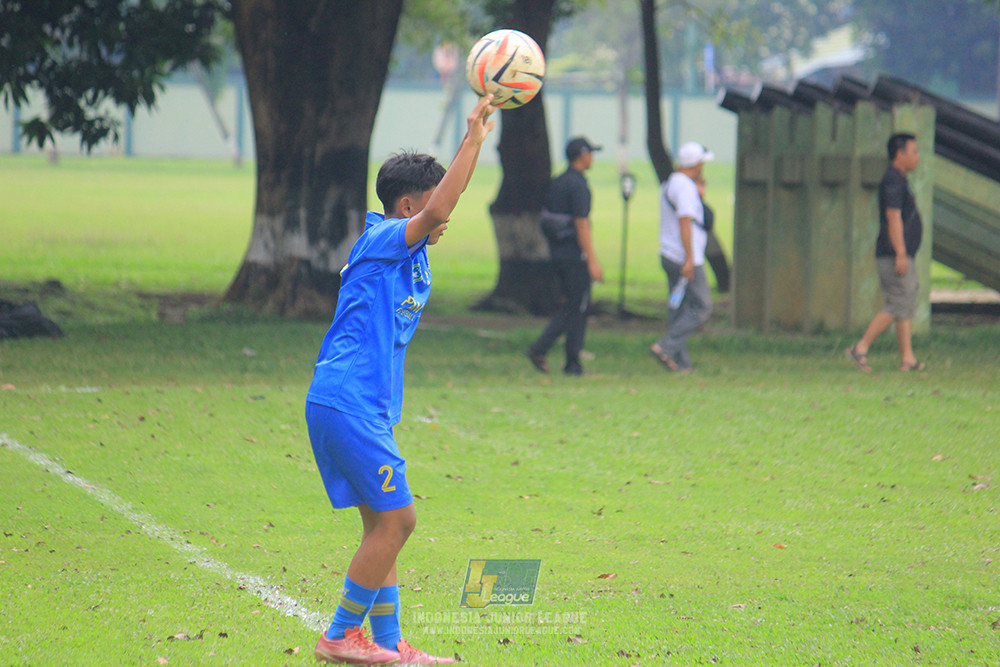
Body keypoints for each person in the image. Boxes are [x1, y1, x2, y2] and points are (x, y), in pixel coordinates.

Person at [305, 95, 496, 665]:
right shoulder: (384, 239)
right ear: (408, 203)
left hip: (363, 406)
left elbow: (434, 217)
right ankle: (340, 636)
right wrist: (473, 141)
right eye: (436, 202)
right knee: (400, 520)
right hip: (348, 401)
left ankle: (389, 645)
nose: (446, 215)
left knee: (380, 527)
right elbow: (436, 214)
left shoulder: (412, 257)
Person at [848, 132, 926, 373]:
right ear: (900, 154)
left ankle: (908, 358)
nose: (917, 157)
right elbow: (894, 217)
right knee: (897, 303)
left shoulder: (899, 180)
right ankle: (860, 348)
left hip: (899, 253)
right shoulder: (893, 180)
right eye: (914, 152)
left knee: (904, 303)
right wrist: (901, 253)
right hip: (893, 255)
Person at [527, 136, 604, 376]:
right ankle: (546, 351)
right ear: (582, 156)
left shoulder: (558, 182)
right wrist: (591, 259)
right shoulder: (579, 185)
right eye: (590, 152)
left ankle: (571, 361)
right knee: (577, 306)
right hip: (574, 256)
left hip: (557, 253)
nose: (592, 157)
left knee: (574, 305)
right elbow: (582, 224)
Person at [650, 141, 715, 372]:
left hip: (668, 253)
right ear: (696, 165)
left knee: (678, 308)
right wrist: (689, 259)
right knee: (703, 306)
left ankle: (680, 362)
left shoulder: (670, 183)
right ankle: (665, 346)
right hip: (685, 257)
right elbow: (685, 223)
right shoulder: (685, 187)